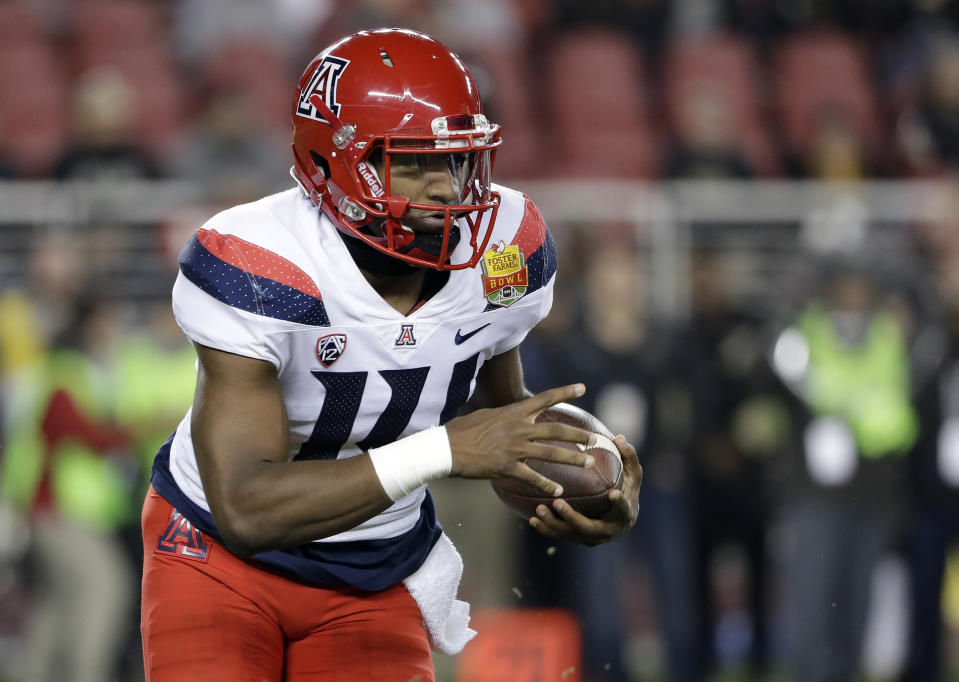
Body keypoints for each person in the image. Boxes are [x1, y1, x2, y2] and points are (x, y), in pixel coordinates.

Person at [139, 28, 642, 681]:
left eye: (457, 159)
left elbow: (501, 424)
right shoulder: (262, 262)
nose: (446, 189)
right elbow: (247, 508)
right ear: (332, 163)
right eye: (414, 162)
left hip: (376, 566)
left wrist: (582, 490)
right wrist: (444, 450)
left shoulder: (503, 253)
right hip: (217, 557)